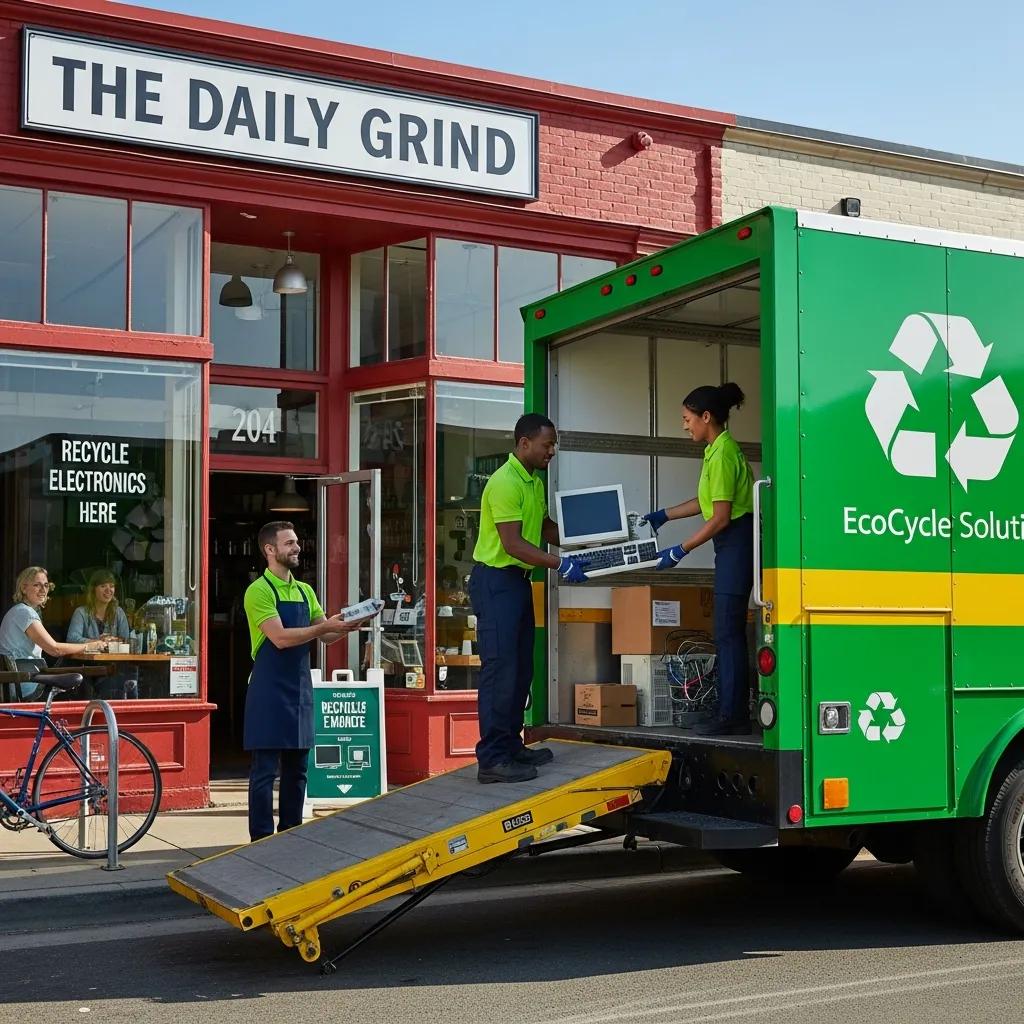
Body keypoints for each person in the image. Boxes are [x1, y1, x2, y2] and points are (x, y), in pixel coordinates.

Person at [470, 413, 590, 784]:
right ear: (524, 443)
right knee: (500, 671)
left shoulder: (532, 481)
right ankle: (491, 758)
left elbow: (545, 528)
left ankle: (511, 746)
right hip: (496, 581)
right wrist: (560, 563)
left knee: (521, 669)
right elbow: (514, 543)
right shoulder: (505, 482)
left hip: (517, 582)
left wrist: (589, 541)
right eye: (547, 444)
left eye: (553, 444)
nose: (552, 451)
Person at [642, 383, 755, 736]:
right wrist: (664, 515)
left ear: (707, 417)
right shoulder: (716, 450)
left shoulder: (722, 454)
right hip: (731, 544)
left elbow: (720, 517)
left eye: (687, 419)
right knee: (727, 631)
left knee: (727, 632)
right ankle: (730, 711)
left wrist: (680, 550)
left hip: (735, 542)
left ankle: (732, 716)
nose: (685, 425)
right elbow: (705, 501)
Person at [242, 521, 356, 842]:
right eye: (289, 543)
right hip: (268, 690)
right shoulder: (259, 590)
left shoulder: (305, 591)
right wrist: (324, 628)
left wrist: (349, 624)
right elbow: (279, 638)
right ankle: (262, 839)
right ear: (270, 550)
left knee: (298, 771)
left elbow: (327, 634)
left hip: (300, 689)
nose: (297, 548)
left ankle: (290, 834)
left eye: (297, 542)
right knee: (264, 772)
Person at [0, 566, 106, 700]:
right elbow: (54, 649)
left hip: (22, 683)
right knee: (83, 682)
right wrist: (90, 646)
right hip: (27, 686)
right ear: (24, 588)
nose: (43, 590)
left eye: (45, 585)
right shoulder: (24, 613)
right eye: (37, 585)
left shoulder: (21, 611)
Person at [67, 570, 132, 699]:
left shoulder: (119, 612)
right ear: (93, 590)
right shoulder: (81, 612)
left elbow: (127, 640)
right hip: (87, 668)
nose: (108, 590)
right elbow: (72, 639)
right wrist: (97, 642)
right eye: (103, 586)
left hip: (113, 667)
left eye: (111, 586)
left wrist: (113, 640)